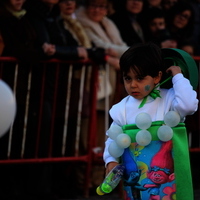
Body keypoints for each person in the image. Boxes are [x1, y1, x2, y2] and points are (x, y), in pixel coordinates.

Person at [103, 42, 198, 199]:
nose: (133, 84)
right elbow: (113, 139)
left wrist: (178, 77)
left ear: (157, 77)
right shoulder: (121, 108)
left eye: (140, 78)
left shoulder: (169, 98)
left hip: (170, 181)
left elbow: (188, 106)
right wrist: (110, 161)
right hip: (136, 180)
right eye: (128, 78)